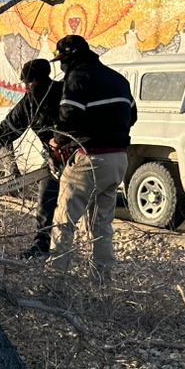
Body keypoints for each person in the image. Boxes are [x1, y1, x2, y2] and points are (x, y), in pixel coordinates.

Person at [46, 34, 136, 277]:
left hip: (90, 158)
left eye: (62, 60)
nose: (62, 66)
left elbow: (68, 116)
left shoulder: (78, 77)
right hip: (118, 159)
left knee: (64, 220)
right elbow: (132, 116)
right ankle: (102, 280)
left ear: (70, 58)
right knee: (102, 225)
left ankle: (55, 280)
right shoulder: (118, 79)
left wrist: (58, 141)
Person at [0, 59, 62, 258]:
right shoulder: (38, 99)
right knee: (47, 200)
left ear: (37, 80)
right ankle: (42, 248)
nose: (26, 87)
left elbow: (7, 130)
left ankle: (59, 257)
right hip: (58, 159)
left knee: (64, 208)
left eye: (28, 83)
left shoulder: (46, 97)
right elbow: (8, 130)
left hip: (79, 157)